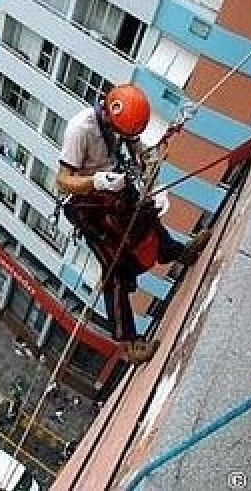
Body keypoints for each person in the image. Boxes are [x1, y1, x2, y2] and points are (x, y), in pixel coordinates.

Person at [56, 84, 210, 365]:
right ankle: (128, 343)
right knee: (115, 264)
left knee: (145, 217)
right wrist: (96, 181)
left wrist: (151, 166)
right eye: (122, 133)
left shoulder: (122, 122)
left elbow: (136, 146)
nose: (124, 137)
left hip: (114, 187)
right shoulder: (81, 130)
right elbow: (62, 180)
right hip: (87, 203)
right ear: (108, 115)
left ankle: (178, 252)